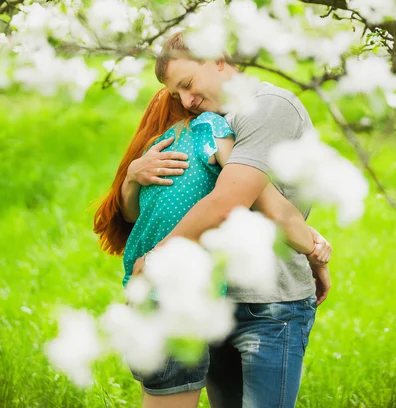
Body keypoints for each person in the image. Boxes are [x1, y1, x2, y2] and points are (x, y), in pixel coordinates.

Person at [123, 31, 332, 408]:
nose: (186, 101)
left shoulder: (267, 106)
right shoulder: (209, 124)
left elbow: (229, 201)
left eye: (187, 85)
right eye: (177, 94)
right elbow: (164, 208)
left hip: (269, 306)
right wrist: (131, 177)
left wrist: (156, 259)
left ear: (217, 58)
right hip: (215, 297)